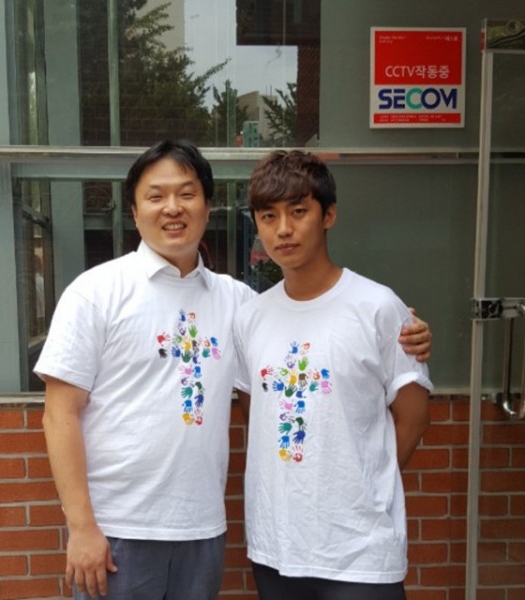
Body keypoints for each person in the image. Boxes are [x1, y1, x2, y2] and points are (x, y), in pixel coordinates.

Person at [34, 140, 432, 600]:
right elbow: (59, 414)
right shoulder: (96, 292)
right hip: (119, 531)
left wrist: (406, 331)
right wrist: (82, 526)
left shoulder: (238, 302)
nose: (172, 208)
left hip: (203, 531)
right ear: (134, 210)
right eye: (156, 196)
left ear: (208, 206)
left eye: (187, 193)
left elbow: (319, 337)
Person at [233, 150, 433, 600]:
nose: (283, 229)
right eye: (268, 216)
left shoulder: (378, 307)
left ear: (329, 216)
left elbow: (414, 417)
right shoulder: (250, 318)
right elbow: (257, 414)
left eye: (298, 211)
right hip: (276, 548)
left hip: (360, 553)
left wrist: (363, 482)